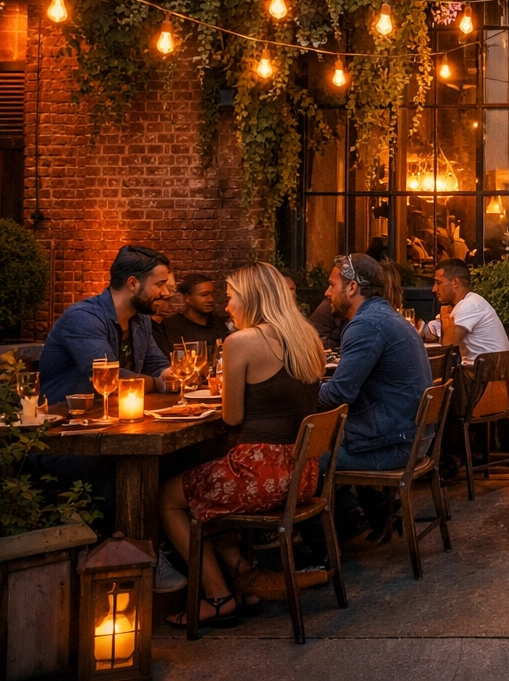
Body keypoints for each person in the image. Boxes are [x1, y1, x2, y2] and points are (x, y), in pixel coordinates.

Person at [158, 263, 325, 627]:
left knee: (169, 499)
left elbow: (232, 419)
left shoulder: (242, 342)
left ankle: (218, 598)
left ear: (250, 298)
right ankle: (246, 582)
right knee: (212, 483)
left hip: (260, 472)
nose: (227, 306)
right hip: (302, 472)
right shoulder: (307, 336)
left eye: (231, 297)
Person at [319, 252, 432, 479]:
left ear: (352, 287)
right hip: (412, 438)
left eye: (332, 285)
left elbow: (338, 394)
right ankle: (374, 507)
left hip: (394, 446)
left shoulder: (366, 324)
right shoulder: (387, 316)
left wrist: (298, 391)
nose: (327, 292)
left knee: (303, 456)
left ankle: (348, 514)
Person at [41, 245, 175, 405]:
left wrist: (172, 375)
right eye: (160, 284)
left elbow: (156, 364)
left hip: (109, 416)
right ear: (133, 284)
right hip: (64, 420)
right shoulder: (83, 317)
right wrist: (158, 383)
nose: (166, 293)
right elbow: (108, 377)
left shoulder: (141, 319)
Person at [422, 259, 509, 364]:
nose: (434, 289)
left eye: (438, 283)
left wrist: (444, 318)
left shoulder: (469, 305)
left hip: (489, 376)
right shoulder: (468, 303)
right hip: (483, 372)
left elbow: (448, 349)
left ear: (455, 282)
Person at [159, 273, 232, 353]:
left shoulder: (216, 322)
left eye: (212, 294)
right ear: (188, 298)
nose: (210, 299)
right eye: (204, 295)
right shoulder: (172, 326)